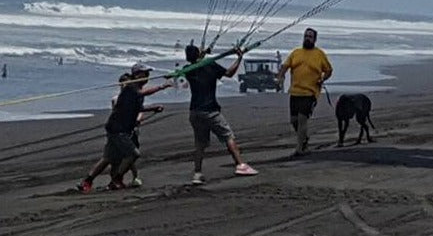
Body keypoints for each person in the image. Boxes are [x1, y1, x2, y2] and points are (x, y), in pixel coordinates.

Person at [77, 63, 170, 193]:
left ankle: (87, 181)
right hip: (118, 128)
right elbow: (142, 93)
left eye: (148, 74)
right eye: (144, 74)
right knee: (133, 154)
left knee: (108, 158)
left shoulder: (136, 91)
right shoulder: (131, 87)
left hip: (120, 128)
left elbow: (136, 108)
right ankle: (116, 179)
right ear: (137, 75)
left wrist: (153, 108)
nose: (147, 77)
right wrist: (161, 87)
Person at [182, 43, 257, 184]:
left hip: (195, 112)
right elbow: (229, 73)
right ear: (198, 54)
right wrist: (240, 57)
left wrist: (201, 54)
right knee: (228, 136)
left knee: (199, 144)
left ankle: (197, 174)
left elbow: (197, 63)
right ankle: (240, 165)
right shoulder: (210, 65)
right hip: (211, 110)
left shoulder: (187, 70)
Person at [275, 27, 333, 157]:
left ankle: (300, 148)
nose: (307, 38)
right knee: (294, 120)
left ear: (315, 40)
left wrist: (323, 79)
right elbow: (285, 66)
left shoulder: (319, 54)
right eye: (306, 36)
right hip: (295, 91)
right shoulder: (296, 53)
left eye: (310, 37)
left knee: (302, 119)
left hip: (310, 93)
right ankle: (304, 139)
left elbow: (328, 70)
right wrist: (280, 77)